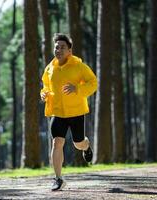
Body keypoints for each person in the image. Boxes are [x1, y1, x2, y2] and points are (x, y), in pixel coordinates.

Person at [40, 33, 97, 191]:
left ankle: (86, 147)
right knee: (56, 143)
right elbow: (45, 85)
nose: (58, 50)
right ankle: (58, 178)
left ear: (70, 50)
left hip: (76, 111)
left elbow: (93, 82)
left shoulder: (79, 66)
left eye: (62, 47)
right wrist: (43, 93)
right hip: (58, 112)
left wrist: (77, 88)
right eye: (56, 47)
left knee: (78, 143)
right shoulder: (50, 68)